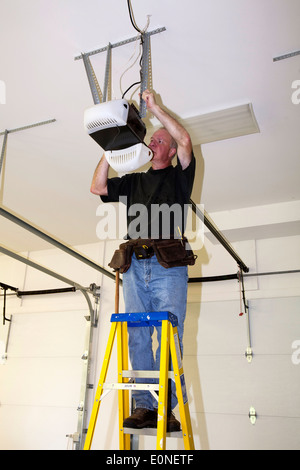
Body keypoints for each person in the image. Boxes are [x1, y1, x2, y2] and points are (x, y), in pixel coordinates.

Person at [90, 90, 196, 431]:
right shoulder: (133, 181)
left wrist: (155, 109)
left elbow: (185, 140)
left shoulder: (179, 178)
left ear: (167, 149)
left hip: (168, 263)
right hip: (134, 263)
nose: (155, 141)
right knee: (136, 332)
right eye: (152, 138)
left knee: (168, 330)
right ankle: (143, 406)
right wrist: (111, 148)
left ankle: (167, 405)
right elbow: (97, 187)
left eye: (160, 139)